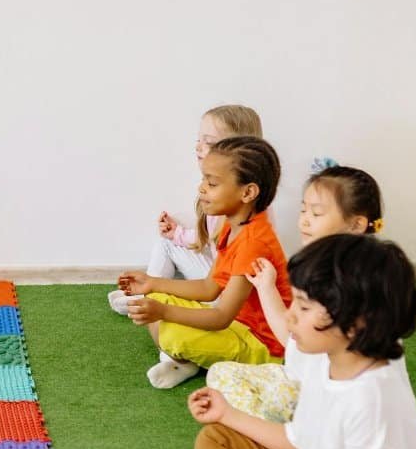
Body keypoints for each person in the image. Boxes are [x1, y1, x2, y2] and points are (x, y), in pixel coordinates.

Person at [189, 234, 416, 449]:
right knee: (216, 437)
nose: (290, 315)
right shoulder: (325, 358)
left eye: (303, 307)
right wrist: (227, 414)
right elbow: (297, 442)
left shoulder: (375, 399)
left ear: (355, 324)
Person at [207, 164, 385, 422]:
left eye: (317, 213)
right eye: (303, 209)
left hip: (327, 396)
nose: (304, 219)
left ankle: (280, 432)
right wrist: (266, 287)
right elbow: (290, 338)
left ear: (356, 224)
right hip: (301, 381)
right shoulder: (315, 267)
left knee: (233, 396)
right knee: (221, 373)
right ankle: (275, 427)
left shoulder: (354, 281)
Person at [118, 136, 290, 389]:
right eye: (203, 180)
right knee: (155, 304)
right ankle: (187, 361)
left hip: (262, 346)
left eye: (211, 183)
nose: (201, 189)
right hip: (236, 326)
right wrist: (152, 283)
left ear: (248, 192)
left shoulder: (254, 242)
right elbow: (210, 288)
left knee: (170, 327)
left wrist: (163, 312)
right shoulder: (232, 227)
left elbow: (220, 317)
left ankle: (188, 361)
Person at [108, 105, 263, 315]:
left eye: (208, 142)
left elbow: (219, 280)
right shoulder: (220, 188)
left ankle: (150, 296)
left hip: (225, 291)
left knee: (195, 301)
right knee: (166, 241)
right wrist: (176, 234)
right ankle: (145, 293)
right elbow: (209, 240)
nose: (199, 147)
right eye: (198, 140)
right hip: (216, 274)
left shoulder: (237, 202)